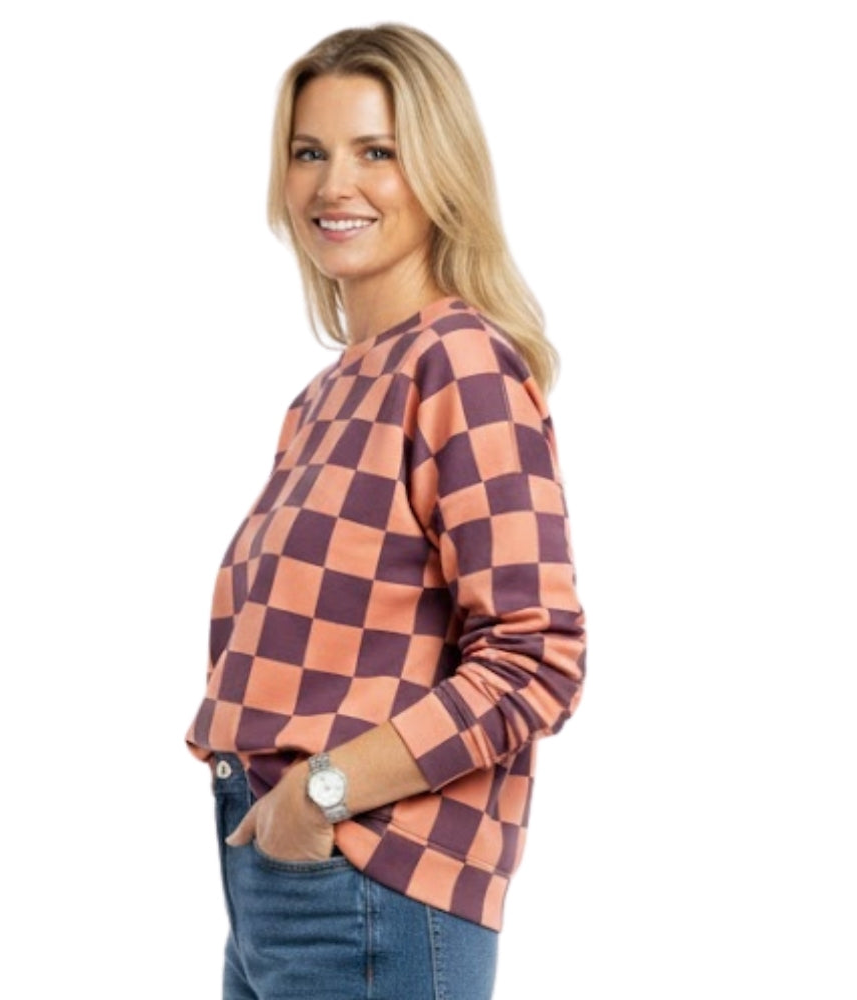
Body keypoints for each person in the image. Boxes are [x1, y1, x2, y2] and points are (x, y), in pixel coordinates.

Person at [185, 23, 586, 1000]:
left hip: (372, 882)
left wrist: (319, 795)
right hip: (278, 883)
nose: (335, 186)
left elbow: (536, 658)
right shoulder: (326, 397)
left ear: (440, 170)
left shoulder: (460, 363)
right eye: (308, 153)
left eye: (376, 152)